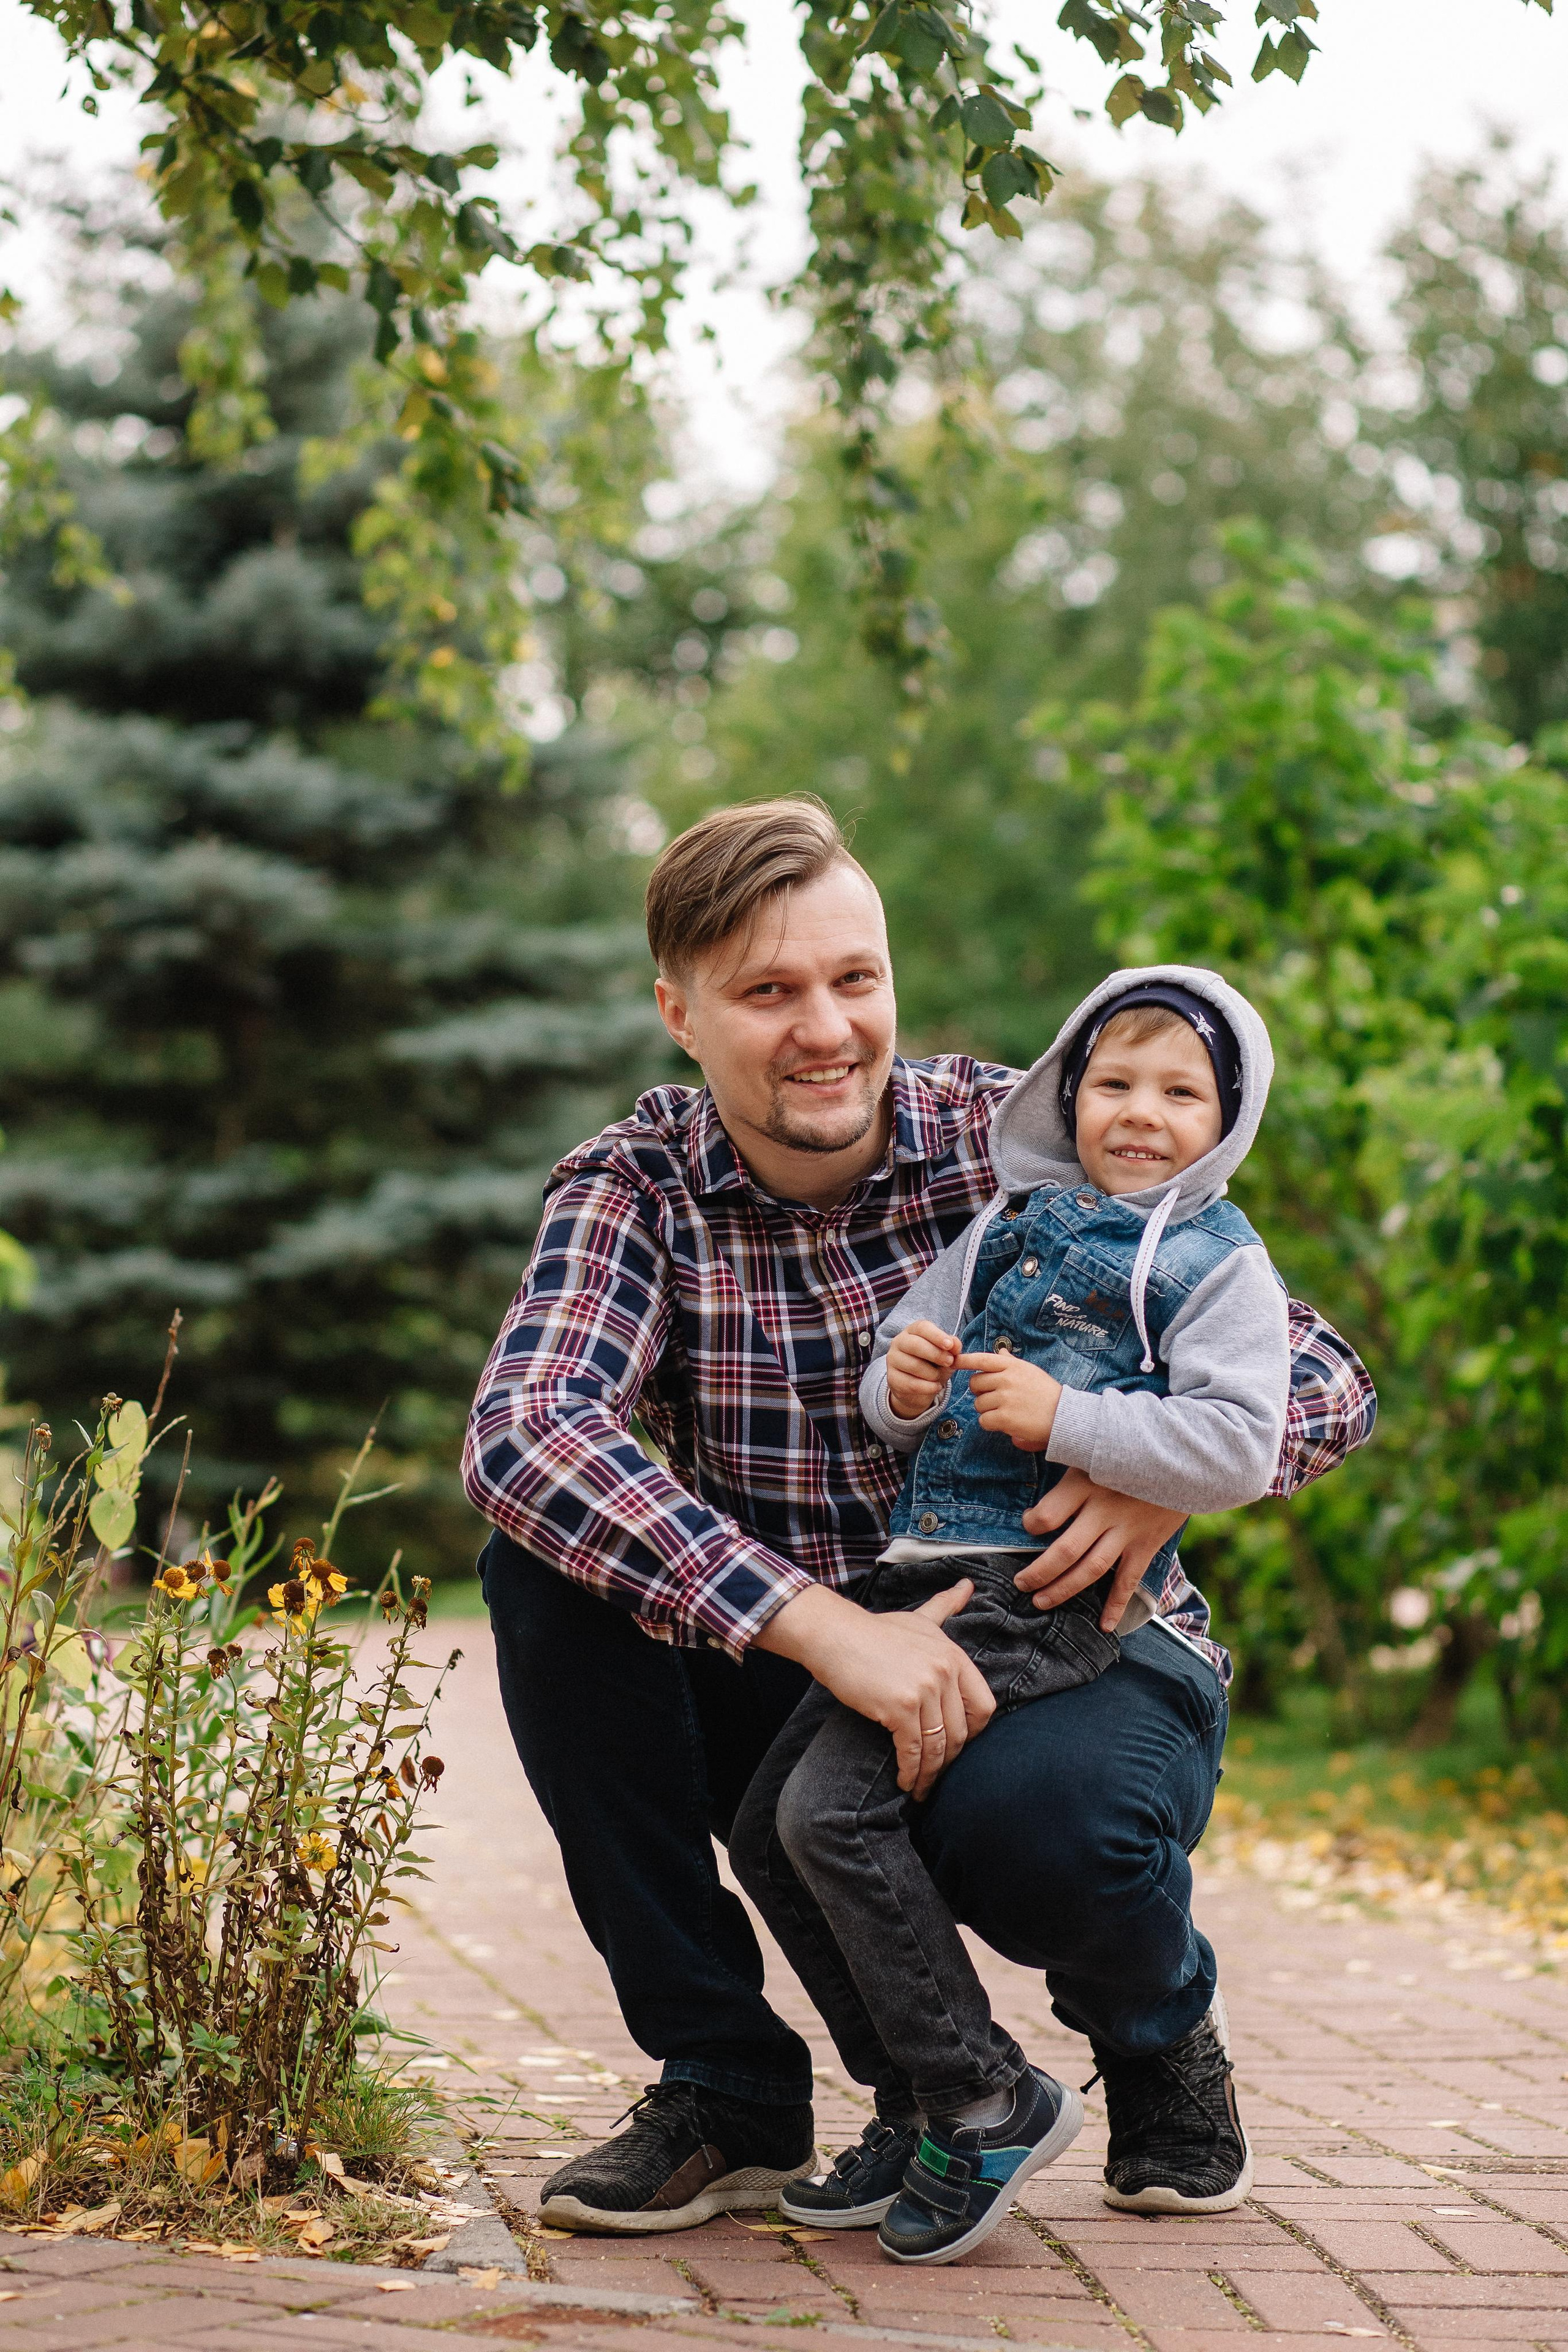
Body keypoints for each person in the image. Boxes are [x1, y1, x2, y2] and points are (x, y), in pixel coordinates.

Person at [461, 796, 1376, 2239]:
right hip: (803, 1660)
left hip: (1061, 1638)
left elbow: (1320, 1368)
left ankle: (1153, 2039)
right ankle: (734, 2085)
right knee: (540, 1567)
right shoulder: (634, 1186)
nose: (825, 1028)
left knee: (1054, 1842)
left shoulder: (1022, 1142)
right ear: (678, 1015)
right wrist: (820, 1629)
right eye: (767, 992)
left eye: (853, 980)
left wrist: (1148, 1463)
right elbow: (526, 1430)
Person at [728, 967, 1289, 2263]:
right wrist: (904, 1383)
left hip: (1037, 1592)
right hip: (924, 1576)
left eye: (1177, 1091)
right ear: (1065, 1090)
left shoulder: (1216, 1262)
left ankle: (985, 2096)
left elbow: (1237, 1445)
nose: (1138, 1113)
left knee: (832, 1810)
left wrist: (1074, 1425)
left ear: (1227, 1116)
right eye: (1111, 1082)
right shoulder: (1005, 1223)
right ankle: (923, 2093)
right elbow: (899, 1384)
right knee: (770, 1828)